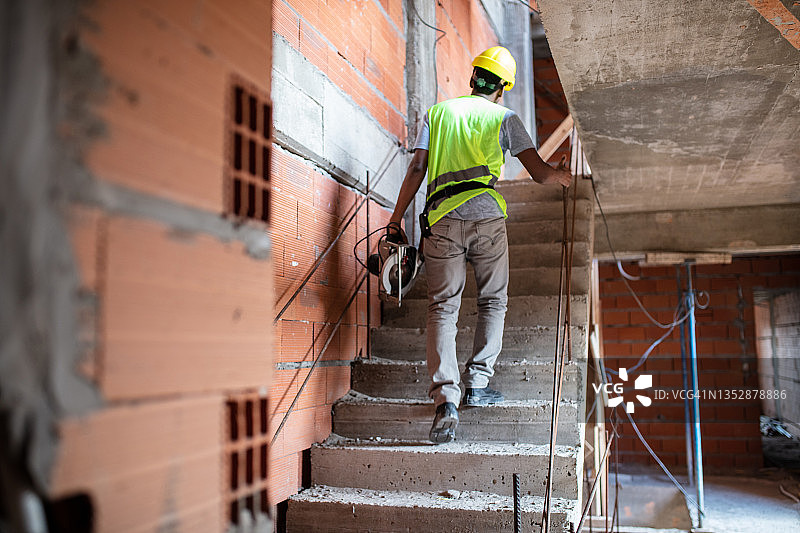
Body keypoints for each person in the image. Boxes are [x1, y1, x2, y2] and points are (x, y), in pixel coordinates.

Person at [388, 46, 572, 443]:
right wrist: (564, 178)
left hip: (441, 220)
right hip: (487, 218)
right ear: (502, 87)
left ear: (473, 77)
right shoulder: (506, 118)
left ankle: (446, 401)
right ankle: (478, 383)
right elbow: (539, 175)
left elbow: (417, 168)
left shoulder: (437, 114)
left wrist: (394, 219)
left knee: (442, 307)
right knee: (493, 301)